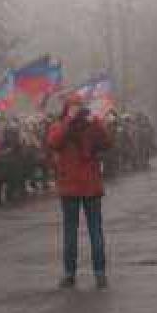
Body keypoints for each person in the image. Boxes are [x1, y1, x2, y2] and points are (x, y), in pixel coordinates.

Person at [47, 98, 112, 289]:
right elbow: (53, 142)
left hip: (80, 186)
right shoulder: (63, 126)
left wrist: (95, 122)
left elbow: (107, 143)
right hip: (77, 187)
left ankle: (89, 274)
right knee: (78, 231)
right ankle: (84, 273)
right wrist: (72, 122)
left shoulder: (86, 125)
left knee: (89, 231)